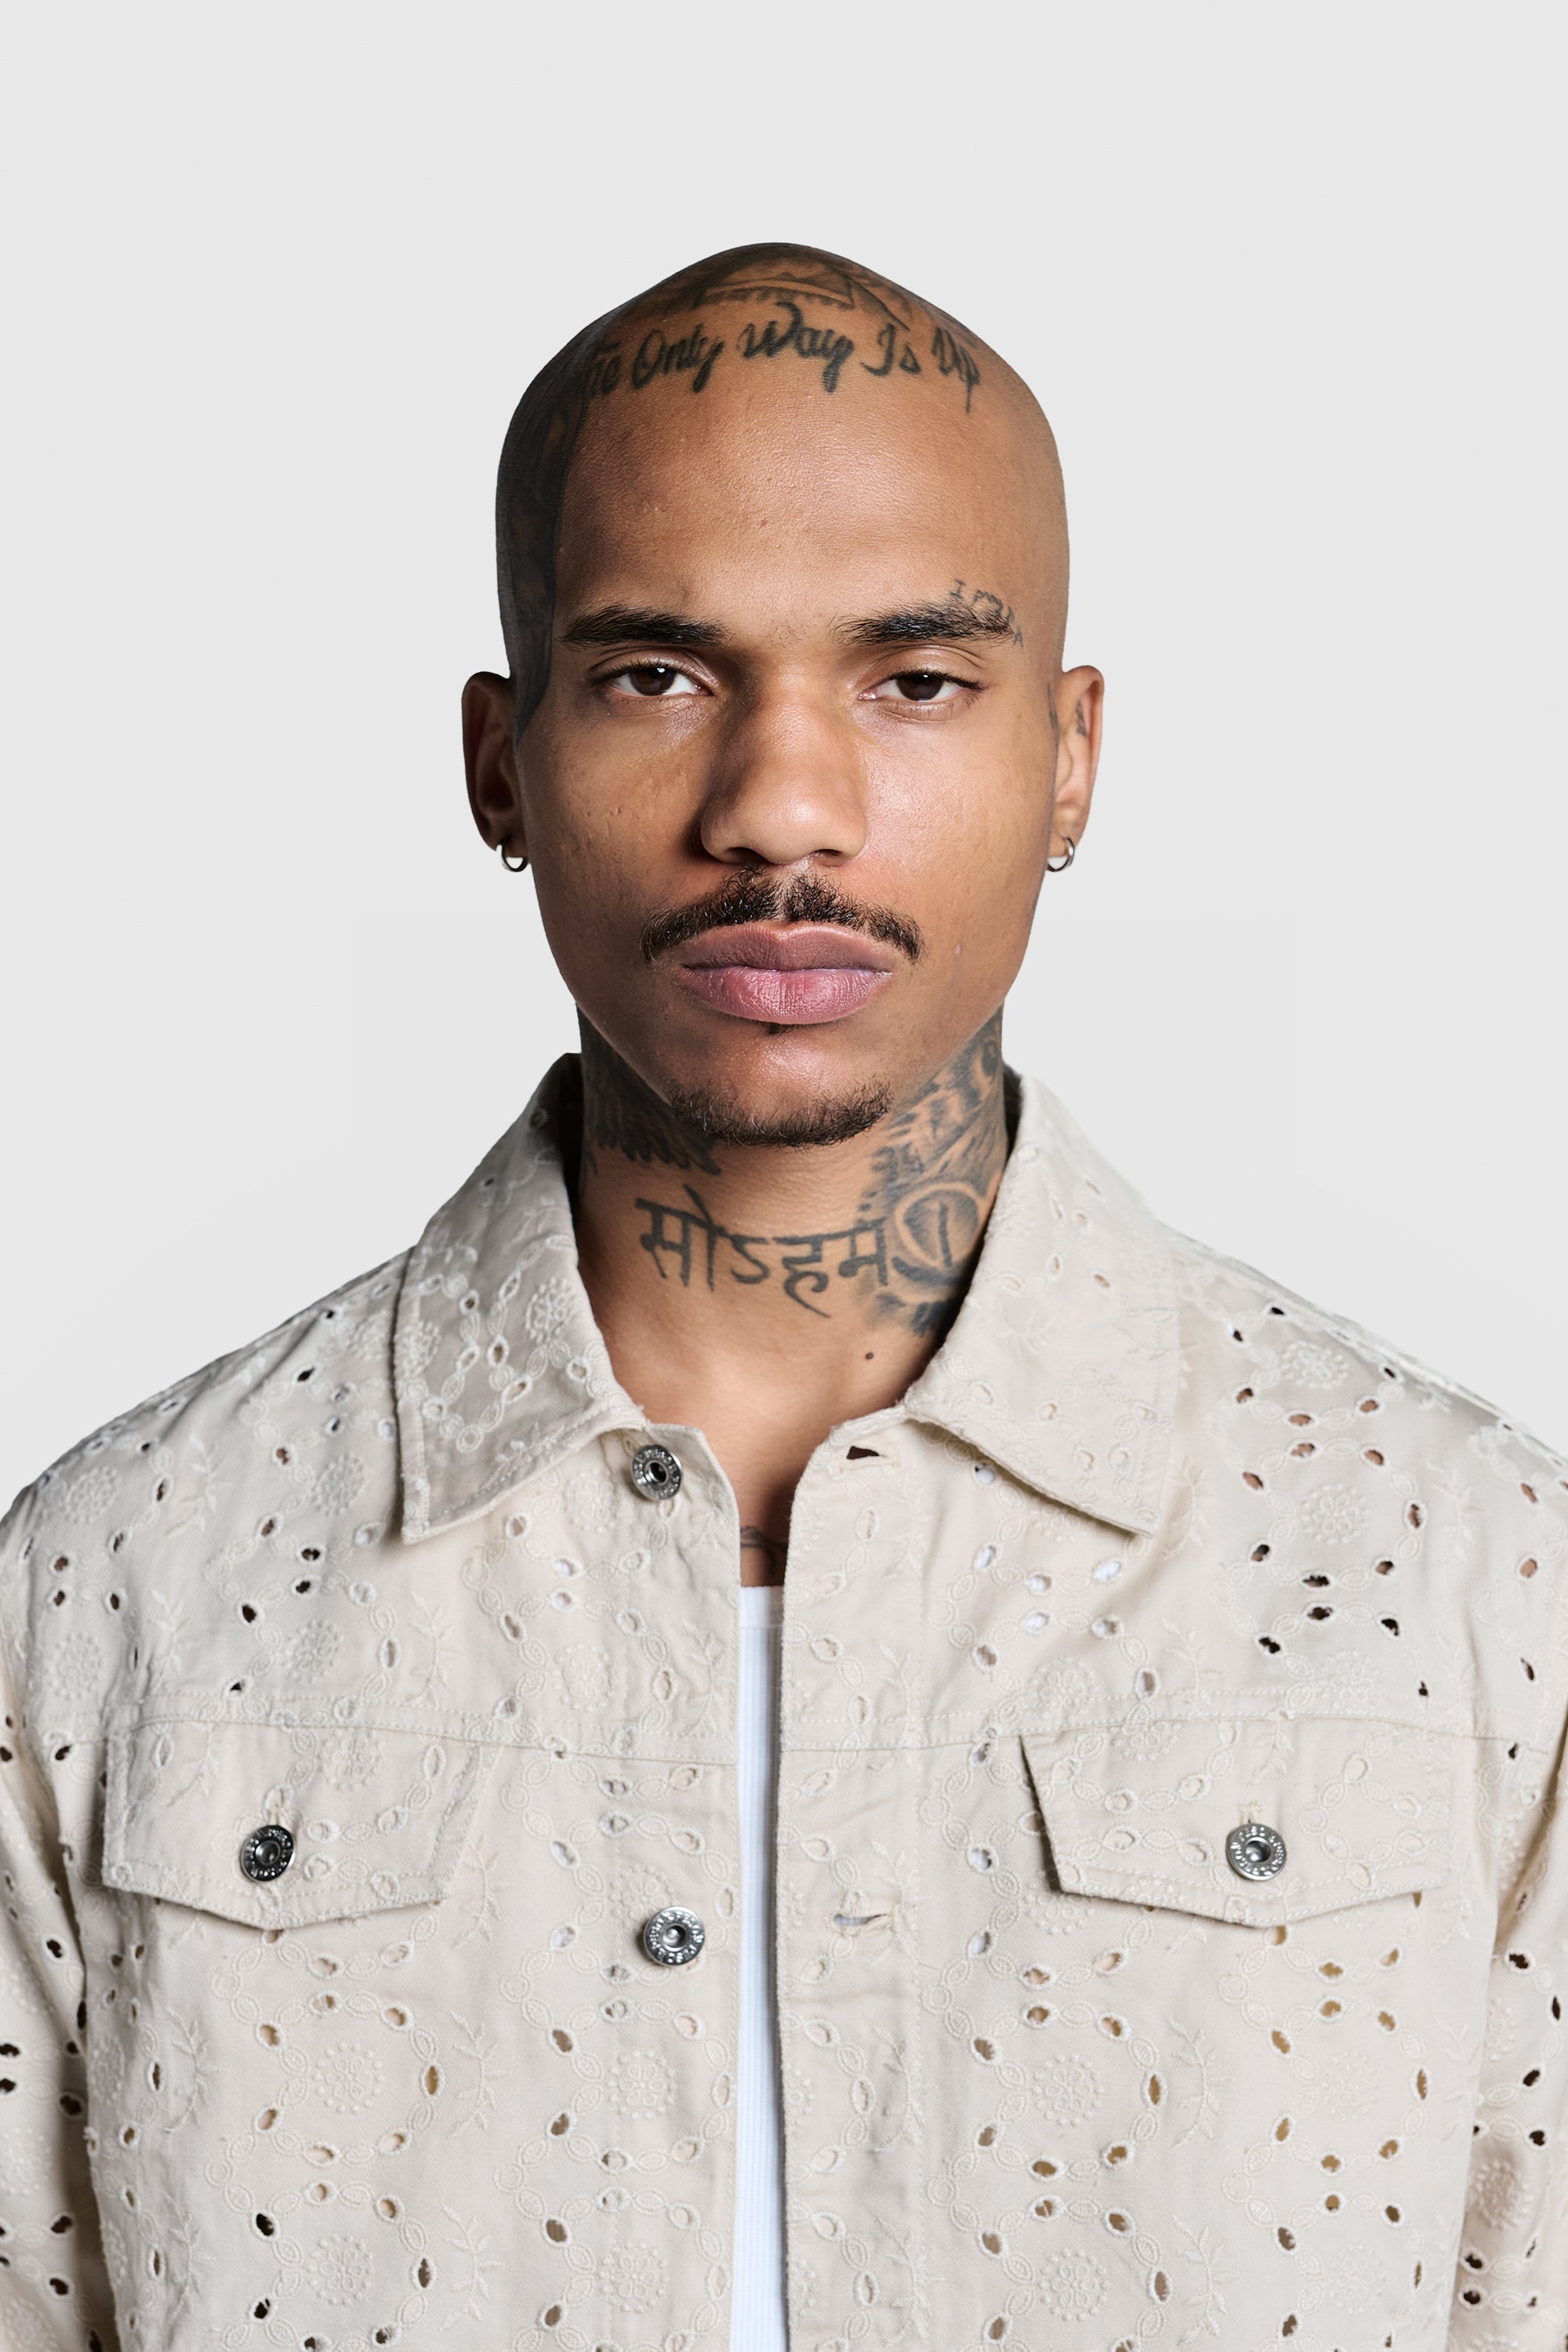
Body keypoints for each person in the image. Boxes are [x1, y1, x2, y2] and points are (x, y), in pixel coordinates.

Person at [2, 241, 1563, 2352]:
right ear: (500, 763)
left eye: (916, 679)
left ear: (1073, 756)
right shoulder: (115, 1587)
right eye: (659, 675)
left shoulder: (1469, 1578)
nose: (781, 812)